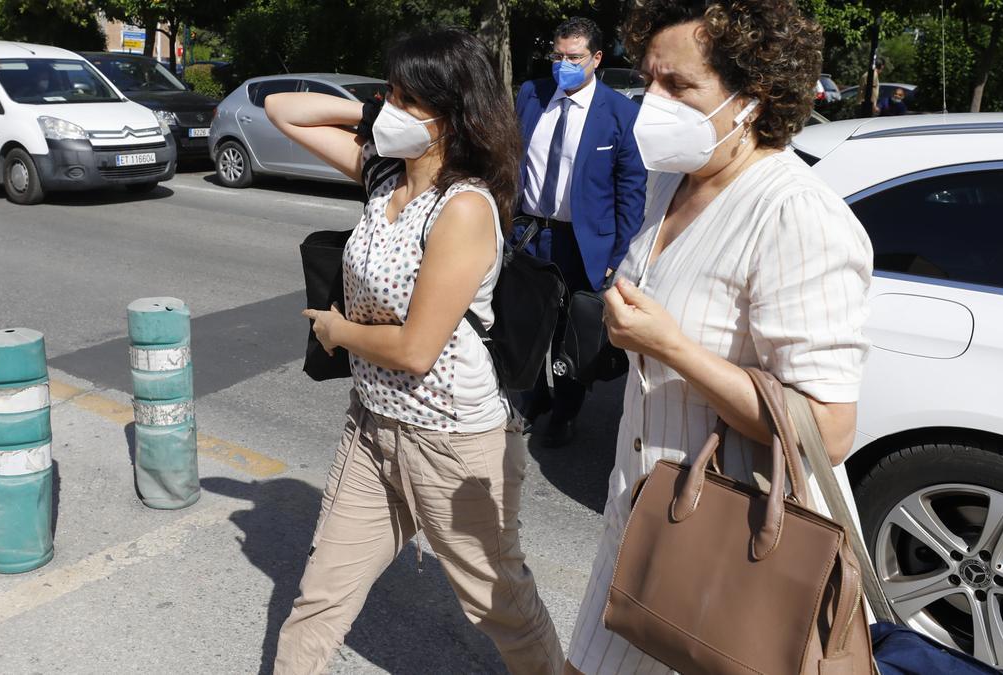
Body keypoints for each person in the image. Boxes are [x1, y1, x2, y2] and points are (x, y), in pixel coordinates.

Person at [563, 1, 874, 672]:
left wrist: (672, 345)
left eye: (677, 85)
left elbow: (829, 429)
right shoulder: (672, 180)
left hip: (731, 551)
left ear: (753, 98)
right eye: (647, 78)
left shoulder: (797, 215)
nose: (653, 101)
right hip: (643, 514)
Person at [264, 28, 564, 675]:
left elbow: (416, 348)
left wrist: (338, 332)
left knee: (499, 604)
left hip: (452, 441)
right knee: (320, 597)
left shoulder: (463, 208)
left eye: (407, 98)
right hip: (373, 426)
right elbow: (281, 110)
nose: (390, 108)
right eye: (389, 94)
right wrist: (376, 110)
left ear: (451, 117)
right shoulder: (380, 172)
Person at [514, 17, 647, 448]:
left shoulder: (620, 113)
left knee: (572, 332)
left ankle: (566, 411)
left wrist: (620, 256)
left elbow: (630, 192)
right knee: (528, 322)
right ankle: (533, 401)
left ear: (596, 59)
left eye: (573, 57)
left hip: (583, 243)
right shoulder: (531, 96)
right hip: (531, 234)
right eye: (558, 56)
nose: (563, 64)